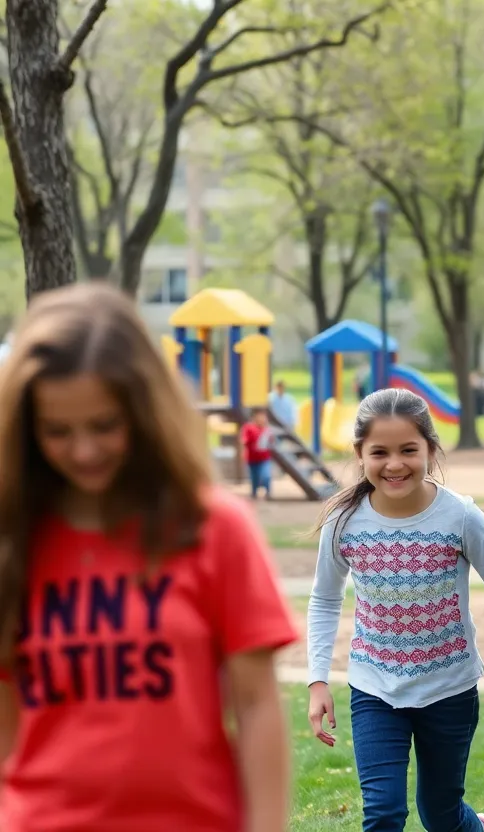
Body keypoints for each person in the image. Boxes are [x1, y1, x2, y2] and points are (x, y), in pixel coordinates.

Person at [0, 283, 297, 832]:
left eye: (104, 425)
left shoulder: (215, 529)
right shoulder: (12, 542)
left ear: (144, 412)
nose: (84, 450)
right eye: (57, 431)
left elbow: (257, 705)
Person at [307, 388, 484, 832]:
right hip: (375, 689)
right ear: (360, 454)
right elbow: (323, 599)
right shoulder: (343, 523)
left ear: (431, 450)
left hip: (449, 689)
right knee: (382, 813)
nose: (394, 464)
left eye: (408, 450)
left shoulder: (461, 517)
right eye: (379, 452)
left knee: (441, 816)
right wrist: (318, 679)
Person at [240, 407, 274, 499]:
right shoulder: (249, 428)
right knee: (254, 477)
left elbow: (271, 442)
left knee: (266, 475)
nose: (262, 419)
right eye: (260, 417)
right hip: (252, 458)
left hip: (264, 458)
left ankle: (268, 492)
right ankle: (254, 492)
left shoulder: (267, 429)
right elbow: (244, 441)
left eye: (264, 417)